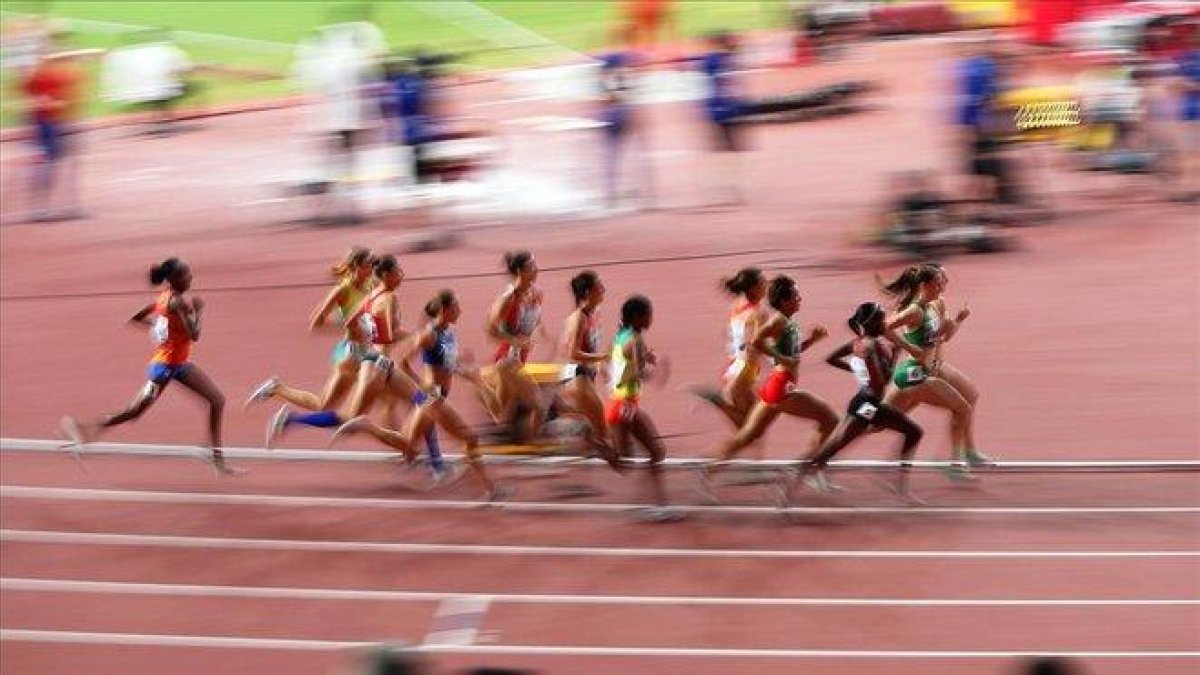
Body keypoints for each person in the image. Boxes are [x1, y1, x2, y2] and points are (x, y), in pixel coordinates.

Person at [60, 258, 235, 475]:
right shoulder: (177, 302)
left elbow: (136, 318)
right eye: (187, 275)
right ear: (174, 279)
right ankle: (83, 430)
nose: (191, 278)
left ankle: (214, 456)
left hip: (178, 365)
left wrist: (158, 328)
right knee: (133, 412)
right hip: (164, 368)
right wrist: (199, 311)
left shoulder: (164, 298)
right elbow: (195, 334)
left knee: (217, 400)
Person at [333, 290, 509, 501]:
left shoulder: (448, 334)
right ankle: (490, 490)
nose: (460, 310)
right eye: (456, 307)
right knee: (469, 437)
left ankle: (366, 426)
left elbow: (447, 364)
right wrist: (420, 385)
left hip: (437, 397)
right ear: (445, 310)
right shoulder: (429, 334)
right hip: (432, 398)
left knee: (408, 444)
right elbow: (401, 359)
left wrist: (463, 367)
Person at [701, 275, 838, 498]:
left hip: (774, 388)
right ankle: (804, 471)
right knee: (830, 419)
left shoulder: (790, 321)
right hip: (782, 388)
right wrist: (780, 358)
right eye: (796, 295)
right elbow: (756, 341)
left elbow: (791, 353)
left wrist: (811, 340)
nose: (800, 298)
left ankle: (707, 470)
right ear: (784, 301)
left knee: (747, 436)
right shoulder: (778, 321)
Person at [789, 301, 925, 501]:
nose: (885, 323)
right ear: (872, 324)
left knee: (913, 432)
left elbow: (832, 358)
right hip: (868, 405)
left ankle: (900, 489)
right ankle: (790, 486)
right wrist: (895, 354)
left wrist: (858, 371)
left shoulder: (858, 341)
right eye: (881, 319)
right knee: (832, 448)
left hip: (866, 402)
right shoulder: (873, 346)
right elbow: (883, 380)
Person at [878, 263, 990, 480]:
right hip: (916, 373)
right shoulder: (914, 311)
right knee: (877, 424)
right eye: (938, 283)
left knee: (971, 396)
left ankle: (968, 452)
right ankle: (955, 465)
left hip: (935, 369)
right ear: (924, 285)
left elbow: (944, 336)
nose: (943, 286)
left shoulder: (936, 305)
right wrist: (910, 348)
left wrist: (958, 320)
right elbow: (883, 327)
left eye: (943, 282)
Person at [607, 294, 681, 521]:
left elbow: (629, 361)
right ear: (639, 317)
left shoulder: (623, 335)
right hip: (625, 406)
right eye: (649, 314)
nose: (651, 318)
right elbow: (640, 372)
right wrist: (660, 371)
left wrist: (649, 358)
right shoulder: (634, 340)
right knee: (656, 451)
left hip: (619, 403)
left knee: (624, 460)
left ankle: (590, 441)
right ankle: (660, 506)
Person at [689, 268, 770, 442]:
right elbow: (755, 342)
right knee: (752, 430)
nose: (767, 285)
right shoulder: (758, 313)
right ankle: (716, 400)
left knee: (753, 426)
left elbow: (728, 332)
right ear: (753, 288)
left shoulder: (738, 305)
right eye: (763, 283)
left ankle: (717, 400)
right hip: (744, 370)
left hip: (736, 366)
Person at [480, 250, 551, 442]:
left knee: (501, 415)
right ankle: (534, 455)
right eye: (532, 266)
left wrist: (543, 336)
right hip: (507, 360)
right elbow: (490, 330)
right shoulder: (508, 298)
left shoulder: (536, 295)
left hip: (520, 359)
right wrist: (515, 341)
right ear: (520, 271)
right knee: (539, 406)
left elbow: (533, 322)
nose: (537, 269)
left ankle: (515, 447)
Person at [559, 270, 621, 468]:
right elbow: (572, 352)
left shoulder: (594, 315)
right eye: (599, 286)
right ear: (587, 292)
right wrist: (601, 357)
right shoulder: (578, 318)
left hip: (586, 379)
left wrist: (601, 367)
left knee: (596, 437)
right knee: (604, 436)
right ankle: (561, 428)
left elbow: (589, 348)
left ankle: (568, 430)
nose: (604, 289)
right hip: (577, 380)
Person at [22, 35, 86, 222]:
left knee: (69, 162)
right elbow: (35, 96)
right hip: (48, 124)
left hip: (64, 122)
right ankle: (41, 207)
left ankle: (69, 205)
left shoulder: (58, 72)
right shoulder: (39, 75)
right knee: (49, 164)